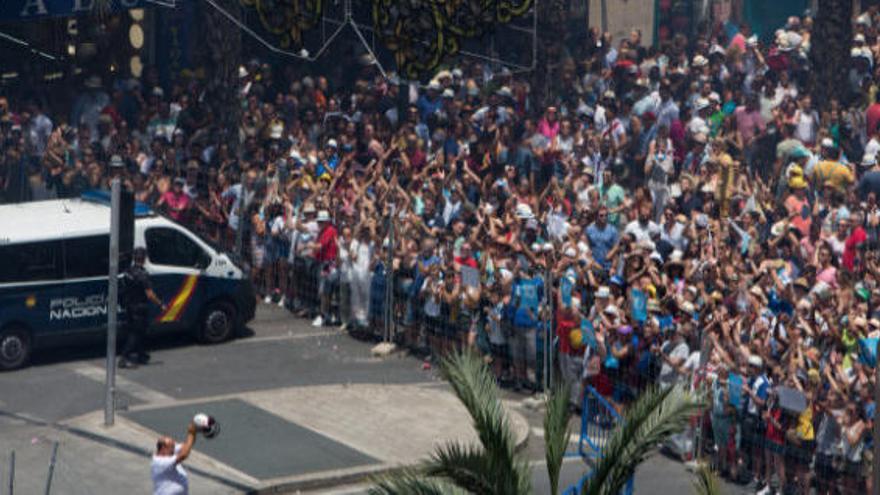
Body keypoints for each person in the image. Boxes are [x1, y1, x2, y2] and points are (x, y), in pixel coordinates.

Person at [120, 247, 167, 369]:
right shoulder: (142, 274)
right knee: (135, 334)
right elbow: (150, 294)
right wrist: (160, 304)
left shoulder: (128, 271)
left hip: (129, 306)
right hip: (139, 308)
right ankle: (124, 358)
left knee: (138, 332)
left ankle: (141, 355)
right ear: (144, 259)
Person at [152, 421, 197, 495]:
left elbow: (187, 446)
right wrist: (191, 433)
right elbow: (183, 455)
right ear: (163, 448)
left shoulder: (168, 452)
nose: (174, 449)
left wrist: (195, 430)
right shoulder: (159, 462)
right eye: (172, 447)